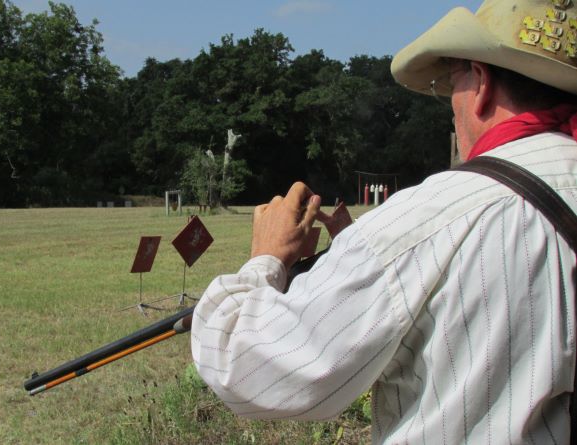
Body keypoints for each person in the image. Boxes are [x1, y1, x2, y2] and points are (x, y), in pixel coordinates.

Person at [189, 0, 577, 442]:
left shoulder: (427, 221)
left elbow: (247, 366)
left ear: (481, 82)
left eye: (451, 82)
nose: (451, 107)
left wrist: (265, 259)